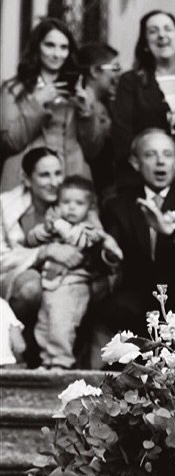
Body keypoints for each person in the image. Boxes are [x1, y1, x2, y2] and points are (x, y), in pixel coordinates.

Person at [101, 128, 175, 329]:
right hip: (142, 292)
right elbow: (110, 251)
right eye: (150, 154)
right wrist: (109, 253)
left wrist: (172, 230)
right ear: (135, 163)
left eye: (167, 155)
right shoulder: (119, 204)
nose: (160, 161)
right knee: (117, 306)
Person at [0, 18, 109, 193]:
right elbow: (10, 142)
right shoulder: (14, 88)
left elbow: (93, 150)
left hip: (72, 179)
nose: (57, 54)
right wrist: (36, 104)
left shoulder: (81, 89)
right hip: (26, 177)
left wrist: (86, 113)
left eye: (63, 47)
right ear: (37, 47)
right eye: (50, 45)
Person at [0, 149, 84, 358]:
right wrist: (45, 251)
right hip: (16, 276)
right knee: (31, 287)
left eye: (58, 173)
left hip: (66, 277)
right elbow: (2, 257)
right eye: (45, 175)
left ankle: (65, 357)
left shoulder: (74, 200)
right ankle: (18, 349)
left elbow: (95, 235)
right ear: (26, 179)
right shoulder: (5, 205)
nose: (54, 182)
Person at [33, 175, 122, 368]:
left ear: (89, 207)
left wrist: (58, 224)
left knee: (62, 325)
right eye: (66, 202)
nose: (71, 207)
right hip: (52, 285)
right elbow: (33, 238)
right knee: (44, 326)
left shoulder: (90, 229)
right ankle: (47, 361)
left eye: (79, 203)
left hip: (74, 287)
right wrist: (45, 228)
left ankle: (60, 361)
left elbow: (79, 241)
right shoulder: (56, 227)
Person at [110, 10, 175, 181]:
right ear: (145, 44)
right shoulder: (131, 82)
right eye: (153, 31)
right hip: (144, 178)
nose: (162, 35)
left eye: (168, 29)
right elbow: (122, 134)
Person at [76, 41, 123, 199]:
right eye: (115, 68)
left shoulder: (108, 103)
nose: (118, 75)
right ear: (95, 71)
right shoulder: (81, 105)